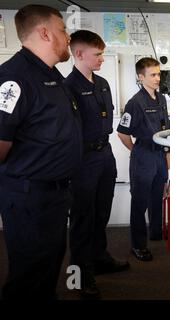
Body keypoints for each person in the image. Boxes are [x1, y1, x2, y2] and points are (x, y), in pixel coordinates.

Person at [0, 5, 83, 299]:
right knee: (28, 276)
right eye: (63, 29)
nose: (68, 36)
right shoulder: (14, 78)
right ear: (45, 33)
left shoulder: (50, 74)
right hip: (29, 197)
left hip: (54, 195)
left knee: (46, 271)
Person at [64, 30, 130, 299]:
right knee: (82, 218)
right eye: (98, 54)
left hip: (105, 155)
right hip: (82, 160)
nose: (102, 59)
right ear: (79, 54)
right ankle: (79, 275)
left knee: (101, 213)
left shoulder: (102, 82)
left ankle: (99, 258)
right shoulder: (67, 87)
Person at [117, 57, 170, 261]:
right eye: (153, 75)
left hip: (159, 155)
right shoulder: (135, 103)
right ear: (141, 77)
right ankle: (138, 245)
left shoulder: (161, 98)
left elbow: (164, 127)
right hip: (143, 155)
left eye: (159, 74)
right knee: (139, 202)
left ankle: (155, 233)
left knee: (157, 197)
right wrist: (136, 151)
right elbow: (122, 133)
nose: (158, 78)